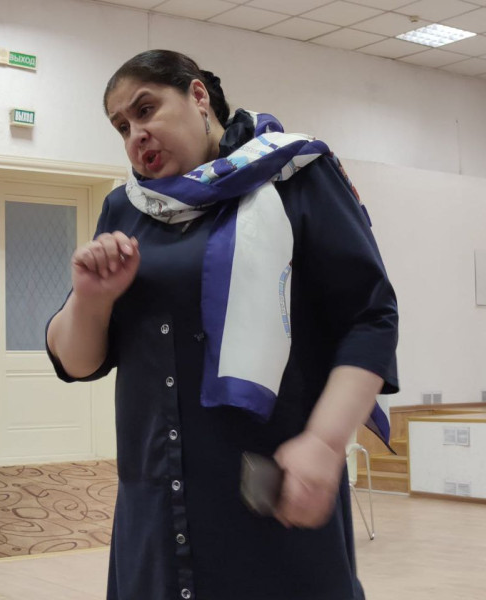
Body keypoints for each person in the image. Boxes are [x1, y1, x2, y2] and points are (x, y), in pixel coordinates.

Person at [46, 49, 399, 600]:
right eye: (122, 127)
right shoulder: (127, 208)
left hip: (269, 494)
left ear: (197, 96)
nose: (136, 135)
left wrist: (326, 443)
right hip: (157, 503)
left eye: (145, 109)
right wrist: (91, 300)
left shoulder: (295, 174)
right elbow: (76, 361)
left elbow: (371, 316)